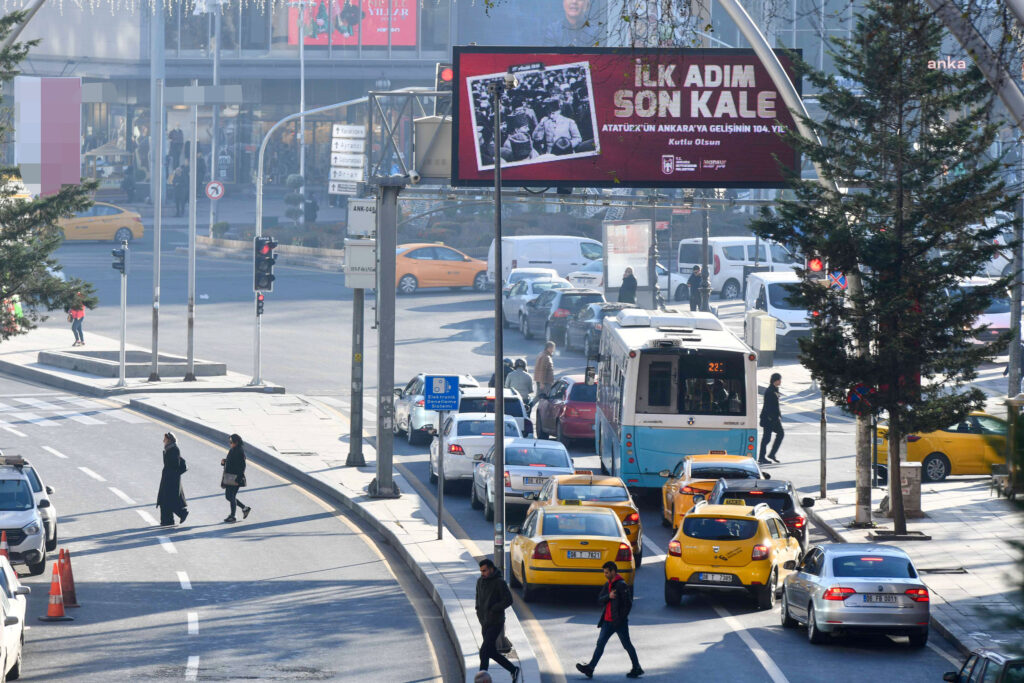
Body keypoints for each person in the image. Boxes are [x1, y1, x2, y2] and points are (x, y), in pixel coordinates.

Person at [576, 561, 643, 679]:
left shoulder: (621, 585)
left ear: (613, 571)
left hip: (619, 623)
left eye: (607, 572)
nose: (605, 574)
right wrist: (609, 596)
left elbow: (628, 604)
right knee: (600, 644)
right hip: (607, 622)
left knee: (627, 645)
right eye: (604, 572)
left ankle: (636, 668)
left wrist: (620, 619)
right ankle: (590, 668)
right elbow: (599, 600)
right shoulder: (608, 585)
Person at [475, 558, 520, 682]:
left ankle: (481, 679)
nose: (482, 573)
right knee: (491, 652)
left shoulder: (499, 582)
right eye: (481, 571)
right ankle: (513, 669)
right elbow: (478, 600)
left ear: (491, 569)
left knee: (484, 651)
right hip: (485, 623)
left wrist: (495, 609)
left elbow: (509, 600)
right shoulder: (480, 582)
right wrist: (479, 613)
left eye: (484, 571)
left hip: (496, 622)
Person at [156, 433, 189, 526]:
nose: (163, 441)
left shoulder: (174, 450)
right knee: (165, 499)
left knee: (169, 499)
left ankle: (182, 513)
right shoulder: (169, 449)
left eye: (165, 439)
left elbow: (175, 465)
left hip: (171, 479)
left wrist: (170, 475)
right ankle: (167, 521)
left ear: (169, 440)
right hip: (168, 477)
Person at [221, 433, 252, 523]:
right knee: (228, 496)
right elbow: (231, 461)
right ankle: (245, 508)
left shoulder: (240, 452)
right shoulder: (233, 450)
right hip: (229, 477)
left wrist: (238, 479)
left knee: (231, 496)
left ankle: (233, 516)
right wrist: (224, 462)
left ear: (237, 442)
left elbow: (242, 467)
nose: (230, 443)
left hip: (235, 478)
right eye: (230, 442)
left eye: (231, 442)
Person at [759, 372, 784, 464]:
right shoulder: (770, 391)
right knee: (767, 438)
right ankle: (762, 457)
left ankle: (771, 454)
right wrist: (771, 418)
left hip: (774, 418)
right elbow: (768, 406)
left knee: (780, 434)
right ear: (776, 380)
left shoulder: (774, 389)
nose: (780, 381)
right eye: (779, 380)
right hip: (769, 418)